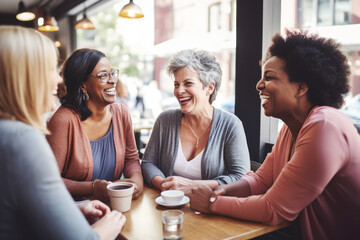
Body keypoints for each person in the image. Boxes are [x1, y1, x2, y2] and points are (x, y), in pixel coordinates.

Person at [189, 30, 360, 239]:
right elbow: (260, 181)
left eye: (269, 77)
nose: (259, 85)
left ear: (301, 87)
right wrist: (222, 191)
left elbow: (274, 209)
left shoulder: (325, 126)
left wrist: (211, 203)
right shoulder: (292, 127)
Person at [0, 25, 125, 239]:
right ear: (24, 77)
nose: (59, 81)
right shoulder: (20, 139)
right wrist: (110, 227)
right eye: (49, 69)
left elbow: (15, 211)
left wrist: (74, 211)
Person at [141, 49, 250, 195]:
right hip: (167, 207)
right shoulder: (165, 120)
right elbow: (148, 163)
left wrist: (192, 186)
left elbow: (241, 177)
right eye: (176, 84)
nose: (179, 91)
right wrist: (163, 184)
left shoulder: (231, 125)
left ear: (209, 88)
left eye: (188, 83)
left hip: (210, 212)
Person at [46, 48, 143, 202]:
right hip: (75, 210)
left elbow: (131, 159)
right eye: (103, 75)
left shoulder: (121, 113)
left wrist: (137, 179)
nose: (112, 80)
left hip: (115, 206)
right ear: (83, 84)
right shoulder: (63, 121)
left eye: (112, 73)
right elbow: (49, 181)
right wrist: (92, 188)